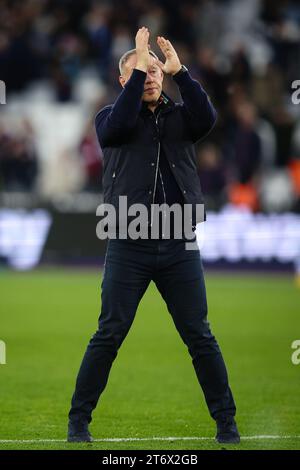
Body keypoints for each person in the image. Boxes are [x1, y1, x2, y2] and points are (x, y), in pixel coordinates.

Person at [67, 27, 240, 445]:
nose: (150, 77)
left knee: (199, 334)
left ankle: (226, 424)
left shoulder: (181, 115)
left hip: (179, 241)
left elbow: (208, 118)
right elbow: (122, 122)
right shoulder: (110, 118)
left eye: (155, 73)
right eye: (141, 72)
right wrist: (141, 55)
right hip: (130, 241)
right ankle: (78, 421)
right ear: (123, 81)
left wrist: (181, 73)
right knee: (110, 332)